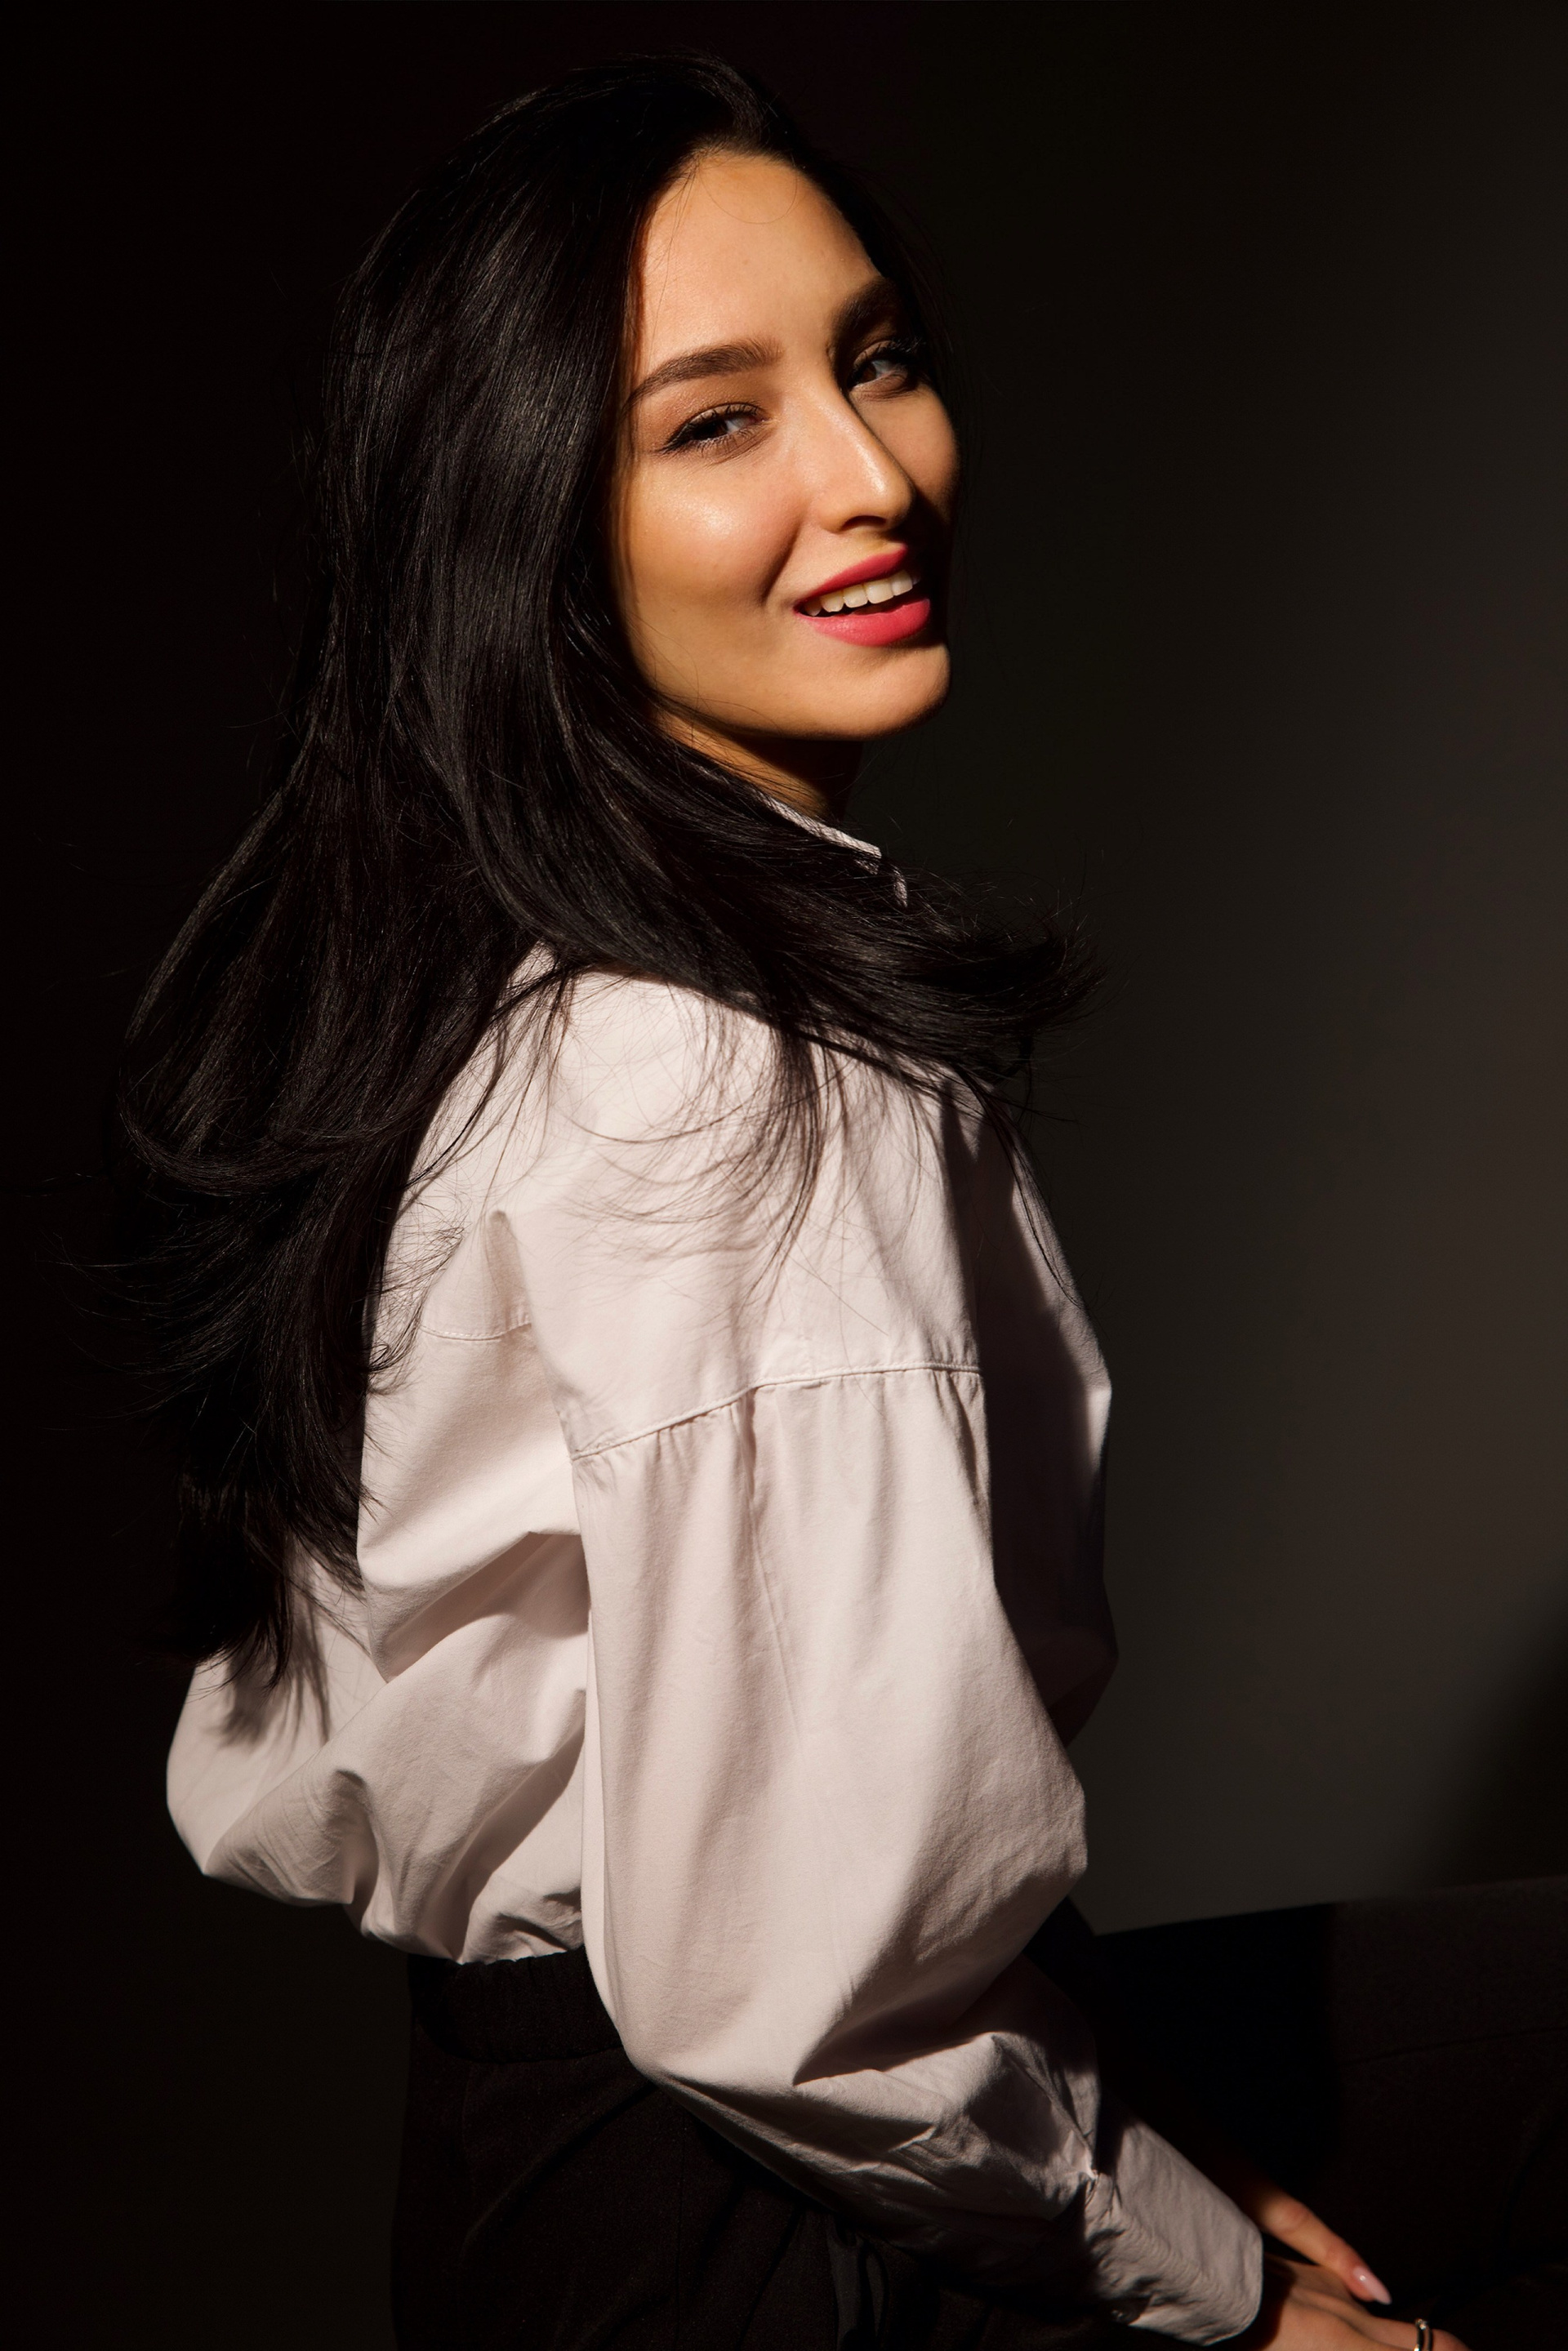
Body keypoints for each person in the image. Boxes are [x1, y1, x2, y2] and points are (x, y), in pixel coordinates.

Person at [123, 55, 1545, 2349]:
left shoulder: (516, 983)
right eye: (717, 422)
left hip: (568, 2171)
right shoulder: (715, 1079)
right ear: (523, 526)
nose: (872, 476)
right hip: (758, 2219)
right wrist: (1229, 2290)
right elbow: (795, 2006)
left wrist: (1160, 2131)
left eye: (876, 362)